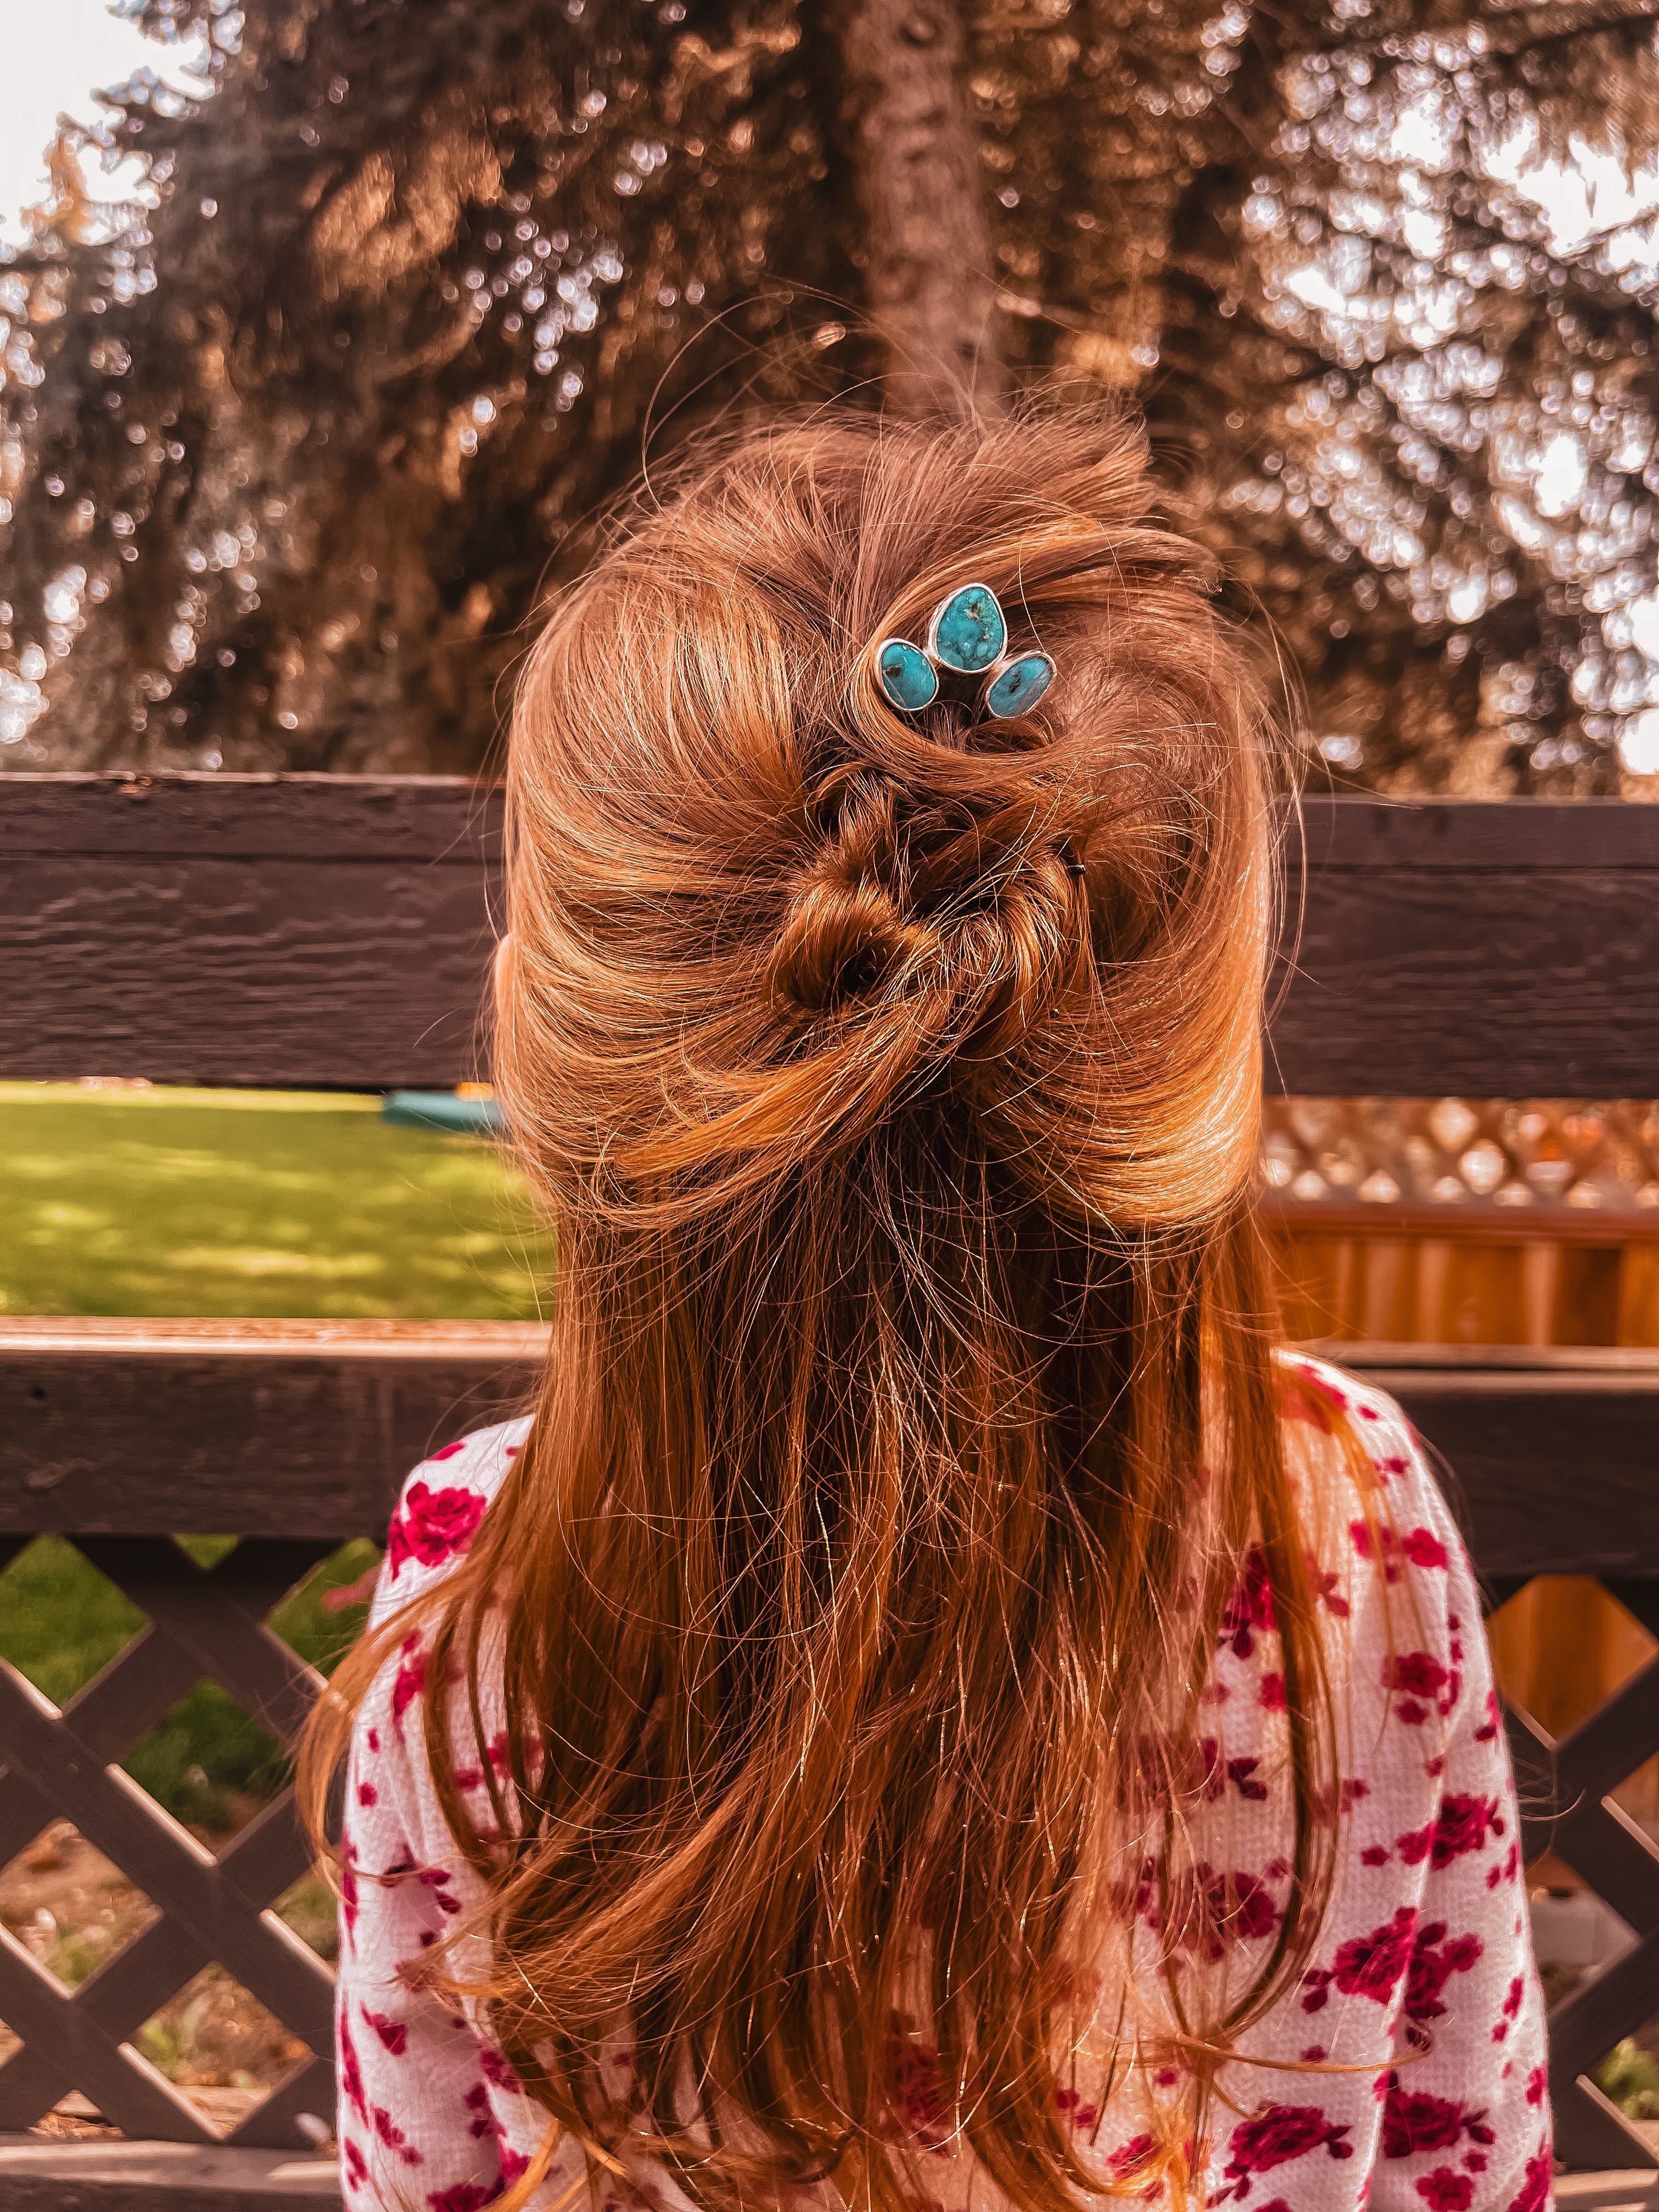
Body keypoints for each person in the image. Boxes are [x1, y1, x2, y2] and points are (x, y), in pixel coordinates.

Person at [301, 410, 1549, 2212]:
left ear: (543, 1028)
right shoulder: (1355, 1516)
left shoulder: (483, 1592)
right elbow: (1470, 2155)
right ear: (1197, 1052)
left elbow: (418, 2181)